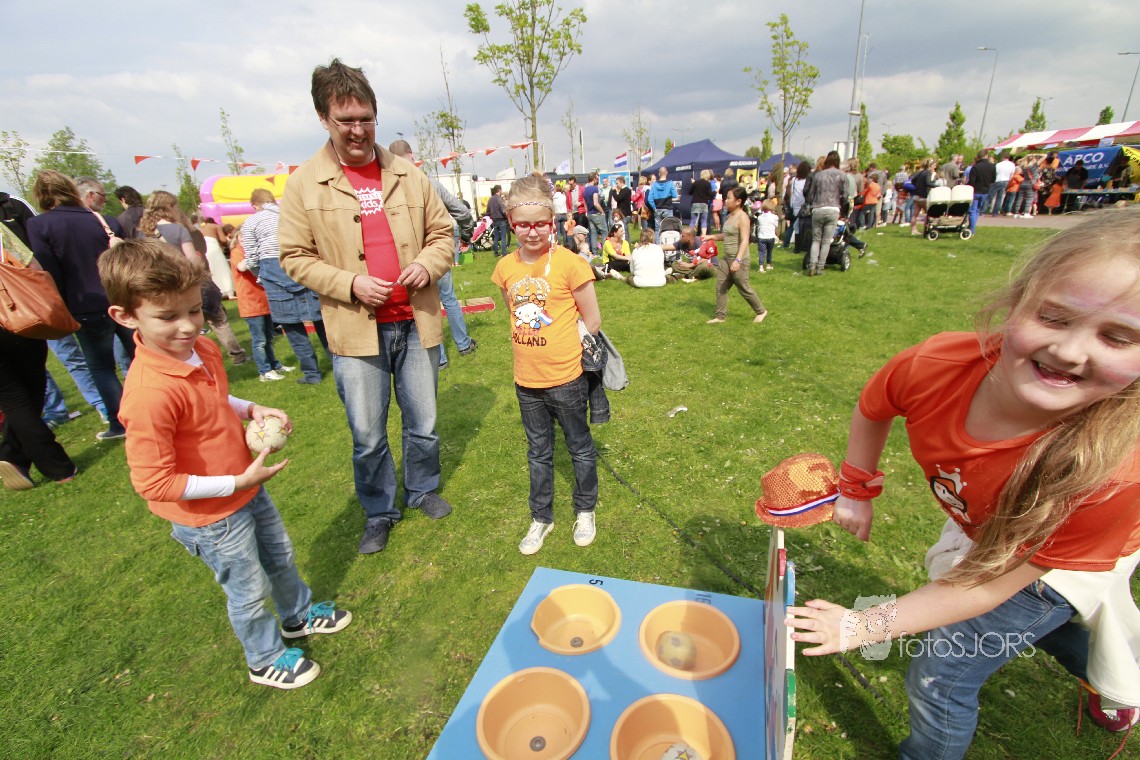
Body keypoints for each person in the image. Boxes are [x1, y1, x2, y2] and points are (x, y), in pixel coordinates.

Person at [788, 210, 1140, 757]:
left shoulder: (1116, 474)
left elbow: (990, 585)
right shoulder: (937, 365)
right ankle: (1110, 671)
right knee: (1033, 624)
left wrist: (865, 625)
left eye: (1118, 337)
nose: (1070, 352)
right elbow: (875, 405)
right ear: (1015, 302)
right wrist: (855, 488)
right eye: (1052, 317)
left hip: (1056, 563)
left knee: (943, 672)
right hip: (996, 537)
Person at [99, 239, 351, 689]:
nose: (187, 326)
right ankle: (264, 658)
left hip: (245, 486)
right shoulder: (149, 394)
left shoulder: (203, 349)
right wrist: (235, 482)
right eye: (167, 317)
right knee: (248, 589)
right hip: (210, 516)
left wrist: (251, 408)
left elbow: (216, 398)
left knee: (280, 556)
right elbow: (154, 483)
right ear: (125, 316)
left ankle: (297, 615)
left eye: (194, 310)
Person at [278, 58, 455, 555]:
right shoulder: (303, 183)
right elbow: (293, 256)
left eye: (366, 119)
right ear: (323, 118)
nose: (357, 130)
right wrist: (351, 284)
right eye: (346, 120)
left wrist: (426, 264)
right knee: (367, 434)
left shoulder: (408, 174)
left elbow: (443, 234)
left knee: (424, 423)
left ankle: (422, 489)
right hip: (355, 329)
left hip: (415, 322)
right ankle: (379, 511)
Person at [490, 175, 601, 556]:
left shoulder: (571, 264)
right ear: (511, 222)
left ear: (552, 220)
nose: (532, 231)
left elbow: (592, 320)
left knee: (579, 446)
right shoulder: (505, 267)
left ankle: (585, 510)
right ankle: (541, 517)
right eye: (523, 224)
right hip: (526, 381)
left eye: (540, 223)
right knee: (538, 452)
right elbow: (513, 311)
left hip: (566, 378)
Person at [27, 170, 132, 442]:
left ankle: (120, 422)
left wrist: (60, 305)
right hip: (122, 297)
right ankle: (151, 408)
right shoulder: (101, 219)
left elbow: (49, 272)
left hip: (84, 303)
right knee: (139, 356)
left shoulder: (39, 225)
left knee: (102, 367)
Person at [388, 140, 478, 368]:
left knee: (425, 305)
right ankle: (462, 344)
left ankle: (440, 358)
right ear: (412, 156)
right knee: (448, 299)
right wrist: (466, 235)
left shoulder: (387, 190)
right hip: (435, 252)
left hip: (410, 257)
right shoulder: (430, 184)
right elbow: (461, 211)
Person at [0, 224, 77, 489]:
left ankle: (13, 455)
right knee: (30, 392)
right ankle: (56, 465)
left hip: (13, 320)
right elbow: (33, 267)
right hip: (17, 317)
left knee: (13, 399)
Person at [139, 190, 248, 367]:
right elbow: (193, 260)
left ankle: (190, 361)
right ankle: (237, 356)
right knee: (219, 321)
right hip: (189, 284)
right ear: (170, 207)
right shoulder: (178, 230)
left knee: (180, 326)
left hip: (163, 290)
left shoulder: (144, 234)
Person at [242, 188, 329, 385]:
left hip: (273, 271)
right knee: (322, 321)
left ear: (254, 205)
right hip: (303, 266)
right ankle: (339, 363)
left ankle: (312, 374)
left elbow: (252, 258)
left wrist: (261, 275)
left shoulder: (251, 222)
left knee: (292, 327)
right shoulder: (292, 214)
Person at [229, 227, 293, 381]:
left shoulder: (249, 251)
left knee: (269, 337)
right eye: (241, 236)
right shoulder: (237, 252)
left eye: (247, 236)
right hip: (251, 304)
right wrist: (257, 252)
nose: (244, 239)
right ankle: (264, 371)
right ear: (237, 238)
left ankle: (274, 365)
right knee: (259, 340)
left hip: (263, 301)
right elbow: (241, 267)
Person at [702, 186, 767, 323]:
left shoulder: (743, 217)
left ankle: (761, 311)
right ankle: (720, 317)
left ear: (738, 201)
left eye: (728, 198)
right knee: (721, 286)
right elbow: (727, 235)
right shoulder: (729, 216)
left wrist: (738, 260)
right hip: (726, 259)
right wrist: (712, 237)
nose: (725, 201)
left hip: (739, 259)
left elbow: (745, 241)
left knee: (743, 287)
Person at [806, 152, 846, 277]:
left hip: (818, 208)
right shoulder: (842, 175)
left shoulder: (818, 175)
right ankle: (820, 267)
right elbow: (845, 196)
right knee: (826, 241)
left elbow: (811, 194)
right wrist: (844, 210)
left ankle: (812, 265)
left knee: (816, 240)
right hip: (833, 208)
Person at [200, 216, 236, 298]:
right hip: (214, 248)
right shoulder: (216, 226)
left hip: (205, 250)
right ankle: (229, 291)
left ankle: (217, 292)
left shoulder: (201, 229)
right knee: (222, 269)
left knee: (212, 270)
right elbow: (223, 239)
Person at [647, 167, 679, 244]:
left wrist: (654, 207)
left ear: (659, 174)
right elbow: (675, 195)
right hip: (668, 208)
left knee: (657, 229)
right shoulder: (670, 183)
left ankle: (658, 245)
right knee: (669, 228)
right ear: (666, 173)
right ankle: (668, 244)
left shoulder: (654, 185)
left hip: (658, 209)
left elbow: (649, 199)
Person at [967, 151, 996, 234]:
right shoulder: (992, 166)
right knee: (977, 210)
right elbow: (993, 179)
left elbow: (971, 181)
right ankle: (972, 227)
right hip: (985, 191)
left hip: (975, 191)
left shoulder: (976, 167)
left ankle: (972, 229)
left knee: (972, 211)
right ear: (986, 156)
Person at [909, 159, 936, 236]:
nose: (934, 167)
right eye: (934, 165)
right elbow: (928, 183)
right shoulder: (928, 173)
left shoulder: (920, 172)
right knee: (929, 214)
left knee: (915, 215)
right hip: (923, 196)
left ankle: (913, 230)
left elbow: (912, 180)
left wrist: (918, 186)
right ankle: (925, 230)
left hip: (916, 195)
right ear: (930, 165)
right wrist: (937, 185)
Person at [583, 172, 605, 255]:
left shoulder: (585, 189)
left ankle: (594, 252)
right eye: (597, 179)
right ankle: (605, 251)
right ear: (594, 179)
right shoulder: (595, 189)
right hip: (596, 213)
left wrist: (587, 212)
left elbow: (585, 203)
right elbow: (595, 203)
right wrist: (602, 211)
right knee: (604, 232)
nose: (597, 180)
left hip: (589, 213)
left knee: (593, 233)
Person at [754, 198, 779, 272]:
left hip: (761, 237)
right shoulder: (774, 217)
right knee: (769, 252)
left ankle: (761, 267)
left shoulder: (760, 217)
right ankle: (768, 264)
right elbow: (776, 225)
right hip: (770, 236)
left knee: (762, 252)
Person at [688, 169, 714, 236]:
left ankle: (689, 235)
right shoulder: (708, 184)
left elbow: (690, 192)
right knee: (704, 221)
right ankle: (704, 236)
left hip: (695, 203)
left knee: (693, 221)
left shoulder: (696, 182)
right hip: (704, 203)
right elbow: (710, 194)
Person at [487, 184, 509, 257]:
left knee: (496, 236)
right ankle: (504, 252)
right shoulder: (499, 199)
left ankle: (496, 252)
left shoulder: (490, 199)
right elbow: (503, 210)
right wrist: (507, 217)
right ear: (499, 190)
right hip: (501, 219)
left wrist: (491, 217)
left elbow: (488, 211)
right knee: (503, 236)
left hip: (494, 220)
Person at [552, 181, 569, 247]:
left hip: (557, 214)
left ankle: (558, 245)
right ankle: (565, 245)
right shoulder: (563, 196)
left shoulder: (553, 197)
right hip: (563, 214)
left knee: (558, 232)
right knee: (564, 232)